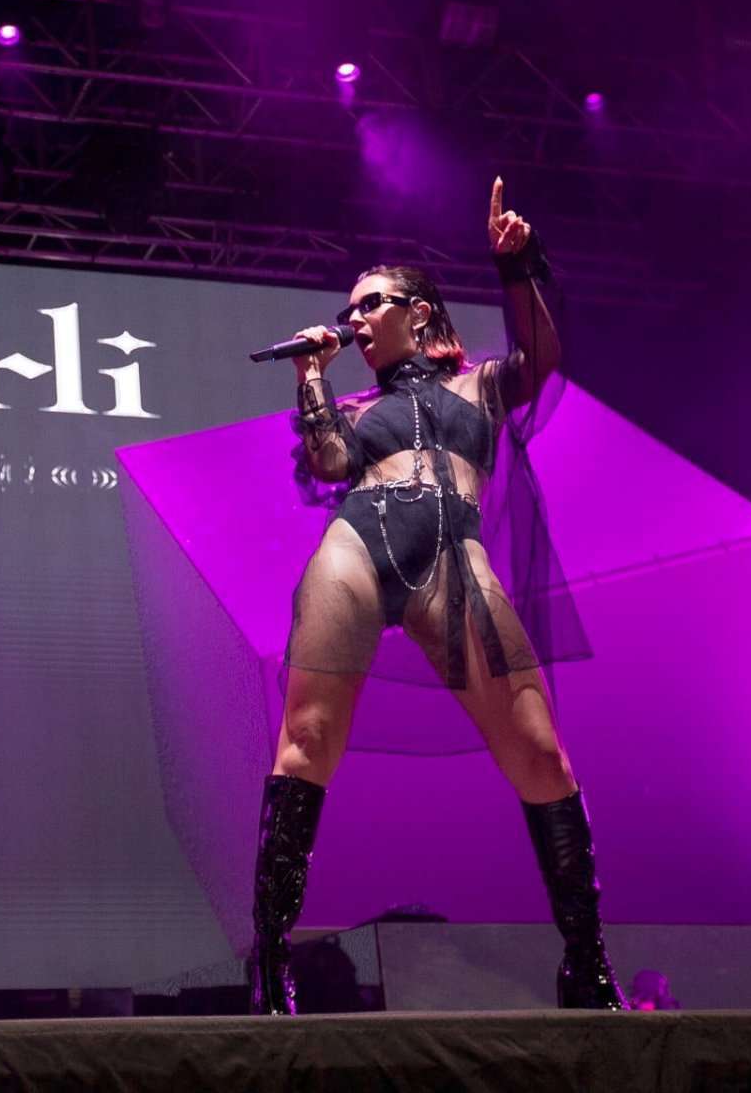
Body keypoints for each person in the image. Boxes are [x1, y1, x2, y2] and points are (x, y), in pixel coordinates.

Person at [247, 178, 626, 1015]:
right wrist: (311, 373)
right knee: (306, 740)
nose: (354, 319)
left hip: (455, 552)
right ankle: (270, 962)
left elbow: (542, 358)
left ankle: (586, 960)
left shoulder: (481, 385)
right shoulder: (356, 406)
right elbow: (329, 463)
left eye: (369, 303)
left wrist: (516, 265)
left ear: (417, 312)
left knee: (541, 755)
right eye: (348, 309)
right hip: (358, 545)